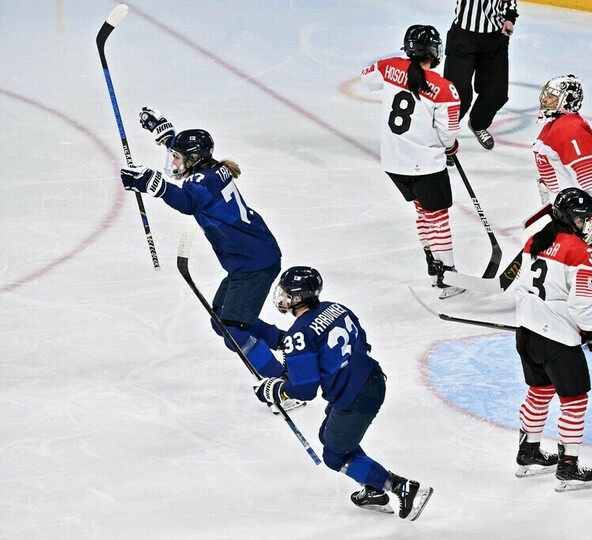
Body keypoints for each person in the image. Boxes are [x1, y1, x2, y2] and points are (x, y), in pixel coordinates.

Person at [120, 107, 301, 411]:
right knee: (222, 320)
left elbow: (187, 201)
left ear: (193, 159)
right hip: (249, 260)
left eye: (178, 158)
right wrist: (165, 134)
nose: (173, 162)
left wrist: (152, 183)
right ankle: (288, 343)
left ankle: (285, 386)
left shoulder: (200, 183)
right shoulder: (211, 169)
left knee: (233, 331)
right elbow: (191, 168)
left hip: (254, 264)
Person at [252, 266, 434, 520]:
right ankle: (373, 490)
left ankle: (401, 487)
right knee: (328, 436)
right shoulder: (336, 308)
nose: (281, 296)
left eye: (285, 292)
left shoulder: (299, 334)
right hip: (372, 379)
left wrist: (274, 389)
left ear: (297, 297)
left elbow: (304, 391)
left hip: (354, 396)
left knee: (334, 456)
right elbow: (361, 341)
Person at [512, 187, 592, 492]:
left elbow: (522, 287)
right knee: (575, 402)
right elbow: (581, 306)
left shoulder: (535, 240)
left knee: (539, 392)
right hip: (556, 340)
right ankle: (568, 467)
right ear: (571, 218)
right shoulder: (583, 253)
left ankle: (528, 452)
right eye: (584, 218)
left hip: (526, 333)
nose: (588, 224)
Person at [360, 24, 464, 299]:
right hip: (425, 165)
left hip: (393, 163)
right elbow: (448, 135)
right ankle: (448, 276)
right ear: (434, 51)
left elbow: (365, 79)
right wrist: (451, 147)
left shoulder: (390, 67)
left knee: (422, 211)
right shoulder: (445, 89)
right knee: (438, 218)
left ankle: (433, 264)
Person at [532, 74, 592, 253]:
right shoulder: (558, 125)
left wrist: (590, 225)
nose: (545, 100)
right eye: (546, 95)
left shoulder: (569, 130)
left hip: (581, 218)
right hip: (569, 214)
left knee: (571, 262)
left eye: (552, 96)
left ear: (567, 100)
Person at [443, 0, 518, 151]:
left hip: (495, 39)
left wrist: (510, 18)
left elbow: (509, 2)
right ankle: (443, 137)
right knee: (457, 95)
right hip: (463, 37)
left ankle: (478, 124)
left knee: (496, 94)